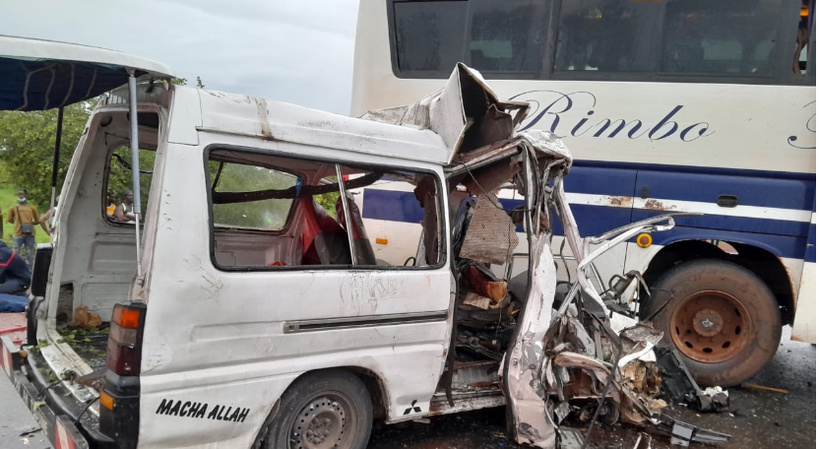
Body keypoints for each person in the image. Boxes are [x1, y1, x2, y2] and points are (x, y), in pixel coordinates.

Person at [7, 189, 45, 267]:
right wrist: (18, 223)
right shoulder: (13, 208)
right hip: (18, 234)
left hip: (30, 234)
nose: (21, 195)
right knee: (15, 254)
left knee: (30, 254)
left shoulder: (32, 207)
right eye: (19, 194)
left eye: (22, 194)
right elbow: (9, 219)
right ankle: (15, 269)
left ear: (25, 195)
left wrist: (29, 224)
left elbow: (38, 220)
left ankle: (29, 270)